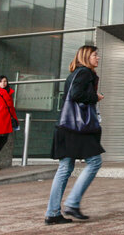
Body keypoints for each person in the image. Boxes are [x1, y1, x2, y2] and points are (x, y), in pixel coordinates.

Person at [44, 45, 105, 225]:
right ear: (87, 57)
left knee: (65, 168)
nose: (98, 58)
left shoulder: (75, 73)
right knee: (95, 162)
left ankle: (53, 213)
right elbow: (77, 95)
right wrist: (95, 97)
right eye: (95, 55)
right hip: (76, 129)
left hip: (66, 126)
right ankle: (72, 203)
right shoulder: (85, 73)